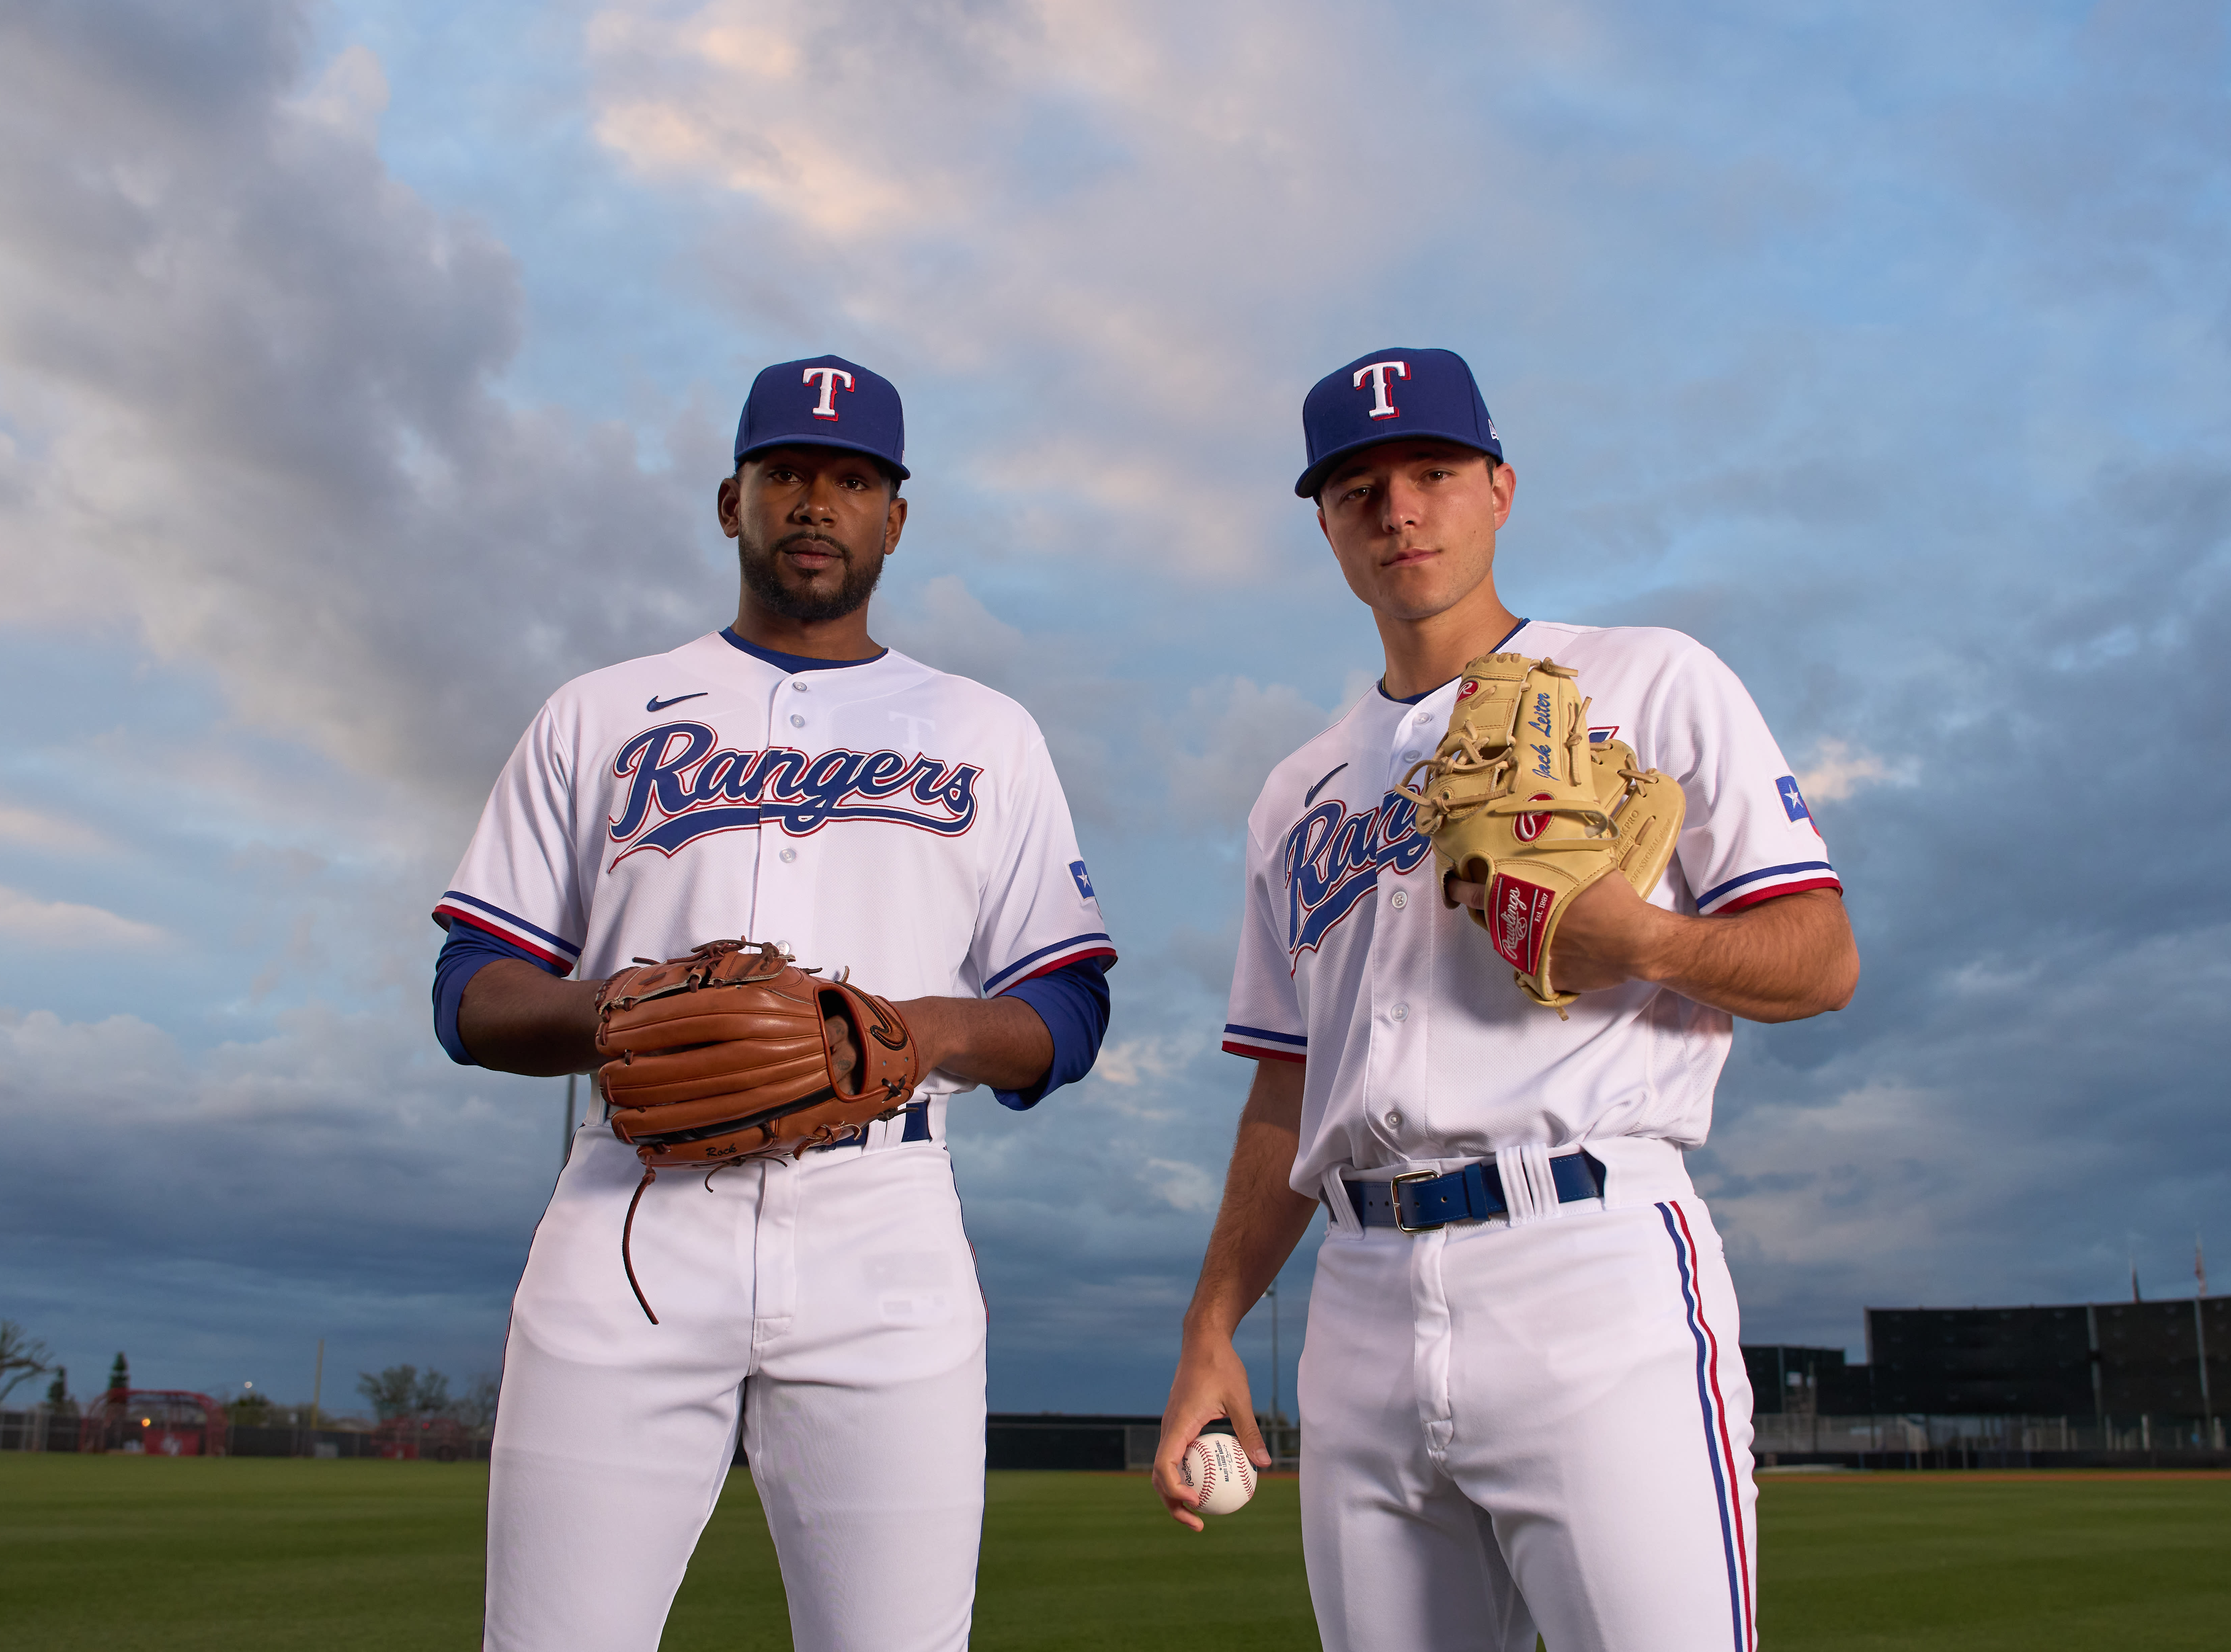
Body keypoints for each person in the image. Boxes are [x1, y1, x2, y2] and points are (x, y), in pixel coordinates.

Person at [1151, 346, 1857, 1652]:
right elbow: (1284, 1085)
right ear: (1323, 525)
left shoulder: (1648, 680)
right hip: (1356, 1300)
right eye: (1356, 487)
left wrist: (1645, 939)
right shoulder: (1292, 794)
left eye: (1430, 471)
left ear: (1498, 488)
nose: (1397, 509)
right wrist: (1209, 1323)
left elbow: (1820, 956)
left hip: (1585, 1263)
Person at [431, 355, 1116, 1651]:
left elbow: (1066, 1007)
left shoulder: (988, 731)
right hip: (633, 1211)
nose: (816, 500)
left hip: (887, 1224)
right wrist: (632, 1011)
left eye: (852, 478)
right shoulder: (600, 713)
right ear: (730, 500)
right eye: (786, 472)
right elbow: (471, 990)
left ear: (894, 517)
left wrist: (912, 1035)